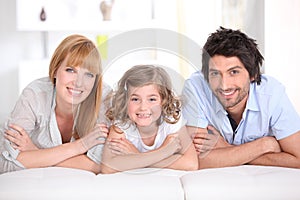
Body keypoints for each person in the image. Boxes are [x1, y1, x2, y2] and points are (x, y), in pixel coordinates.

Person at [182, 27, 300, 169]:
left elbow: (297, 159)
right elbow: (194, 160)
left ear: (253, 74)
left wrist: (227, 149)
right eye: (215, 73)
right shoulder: (195, 88)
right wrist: (263, 146)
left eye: (233, 72)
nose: (224, 85)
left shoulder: (272, 94)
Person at [0, 34, 111, 174]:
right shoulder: (34, 95)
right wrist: (78, 147)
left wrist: (36, 152)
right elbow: (5, 162)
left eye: (89, 74)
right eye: (71, 70)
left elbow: (102, 165)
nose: (78, 83)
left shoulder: (104, 98)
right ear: (55, 70)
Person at [101, 65, 198, 174]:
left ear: (164, 101)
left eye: (152, 99)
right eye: (135, 99)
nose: (143, 107)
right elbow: (107, 167)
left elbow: (192, 164)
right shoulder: (122, 126)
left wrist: (136, 155)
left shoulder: (171, 122)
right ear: (125, 101)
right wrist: (164, 152)